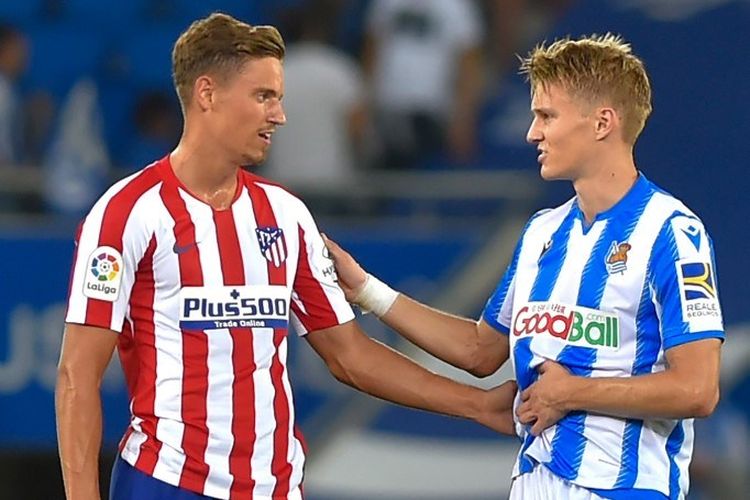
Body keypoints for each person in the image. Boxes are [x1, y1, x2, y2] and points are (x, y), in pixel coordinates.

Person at [54, 13, 516, 500]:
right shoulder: (126, 215)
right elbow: (77, 378)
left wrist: (478, 405)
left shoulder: (286, 214)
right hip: (167, 484)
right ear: (207, 94)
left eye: (278, 98)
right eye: (263, 97)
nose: (280, 115)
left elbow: (350, 356)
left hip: (274, 488)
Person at [325, 33, 724, 499]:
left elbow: (698, 389)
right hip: (534, 483)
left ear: (602, 123)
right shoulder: (542, 232)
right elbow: (480, 350)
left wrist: (573, 392)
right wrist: (366, 288)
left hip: (625, 487)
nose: (532, 133)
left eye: (546, 116)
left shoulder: (672, 231)